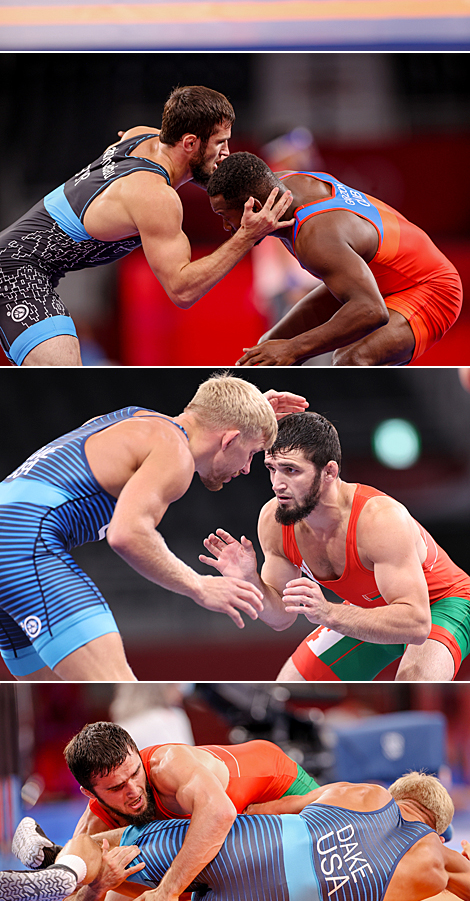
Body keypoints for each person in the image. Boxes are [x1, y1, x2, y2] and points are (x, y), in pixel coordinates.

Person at [0, 374, 307, 683]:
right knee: (122, 688)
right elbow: (127, 533)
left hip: (11, 540)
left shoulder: (133, 418)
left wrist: (252, 415)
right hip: (19, 545)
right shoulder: (176, 453)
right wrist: (198, 586)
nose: (245, 468)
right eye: (252, 453)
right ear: (228, 439)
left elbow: (220, 418)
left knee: (41, 687)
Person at [0, 85, 296, 366]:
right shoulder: (156, 197)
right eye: (220, 143)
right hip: (17, 272)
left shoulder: (139, 136)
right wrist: (246, 236)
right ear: (190, 142)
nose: (226, 153)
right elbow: (182, 291)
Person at [4, 772, 470, 901]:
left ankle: (59, 864)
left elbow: (263, 809)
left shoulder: (365, 793)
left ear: (400, 793)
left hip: (246, 851)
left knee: (106, 849)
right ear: (438, 827)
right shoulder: (439, 863)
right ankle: (84, 876)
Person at [200, 411, 470, 684]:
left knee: (414, 684)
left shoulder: (380, 518)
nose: (277, 484)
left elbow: (416, 624)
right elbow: (281, 617)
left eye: (291, 470)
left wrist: (327, 612)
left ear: (329, 471)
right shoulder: (274, 520)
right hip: (369, 608)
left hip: (441, 603)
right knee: (285, 691)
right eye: (272, 468)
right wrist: (250, 581)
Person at [12, 721, 319, 901]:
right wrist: (98, 886)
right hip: (216, 829)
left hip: (276, 790)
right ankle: (65, 862)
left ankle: (58, 855)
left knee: (323, 826)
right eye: (117, 787)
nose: (133, 790)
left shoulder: (168, 764)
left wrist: (168, 892)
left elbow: (220, 813)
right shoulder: (95, 820)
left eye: (135, 773)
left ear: (138, 755)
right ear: (92, 794)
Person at [206, 151, 463, 366]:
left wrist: (293, 349)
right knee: (266, 347)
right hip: (377, 271)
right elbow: (234, 181)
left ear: (257, 208)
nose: (227, 228)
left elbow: (372, 311)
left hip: (431, 287)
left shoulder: (316, 239)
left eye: (224, 217)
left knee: (349, 359)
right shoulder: (280, 183)